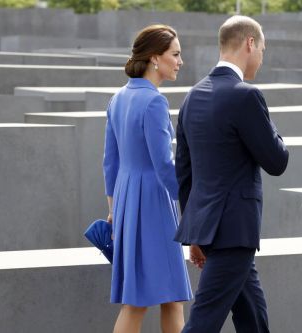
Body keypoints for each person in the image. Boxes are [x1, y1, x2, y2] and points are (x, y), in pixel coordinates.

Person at [174, 15, 289, 333]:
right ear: (250, 44)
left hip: (211, 230)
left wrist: (195, 232)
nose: (262, 59)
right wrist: (269, 122)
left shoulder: (192, 97)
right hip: (234, 231)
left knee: (253, 315)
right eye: (262, 49)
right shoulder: (247, 96)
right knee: (203, 322)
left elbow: (183, 171)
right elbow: (277, 161)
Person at [103, 24, 192, 333]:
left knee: (140, 298)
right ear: (155, 58)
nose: (180, 61)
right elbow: (165, 167)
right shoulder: (154, 102)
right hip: (154, 203)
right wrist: (192, 204)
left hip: (127, 202)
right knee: (170, 298)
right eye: (176, 54)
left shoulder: (118, 99)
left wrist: (114, 209)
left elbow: (109, 163)